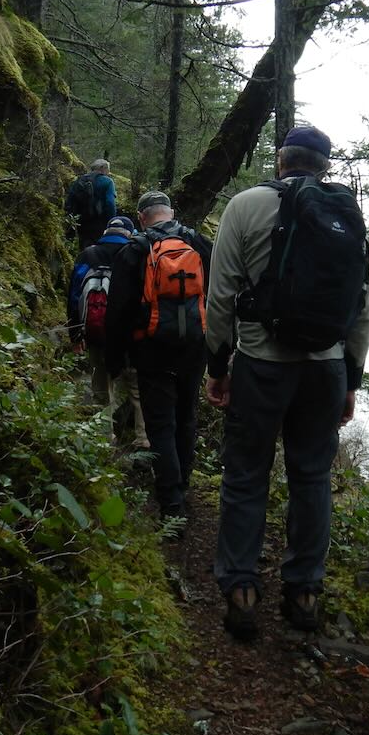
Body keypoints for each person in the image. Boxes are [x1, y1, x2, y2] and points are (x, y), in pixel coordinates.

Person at [203, 124, 369, 641]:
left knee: (246, 474)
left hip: (261, 363)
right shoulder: (346, 214)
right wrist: (351, 378)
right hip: (326, 367)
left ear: (281, 160)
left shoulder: (245, 206)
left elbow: (220, 295)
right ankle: (304, 592)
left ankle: (241, 589)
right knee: (312, 477)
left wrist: (217, 366)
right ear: (324, 167)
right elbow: (362, 305)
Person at [105, 190, 213, 529]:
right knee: (186, 416)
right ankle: (183, 483)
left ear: (141, 218)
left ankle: (171, 504)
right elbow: (221, 294)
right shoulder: (199, 244)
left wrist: (115, 358)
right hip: (195, 348)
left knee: (160, 424)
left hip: (151, 350)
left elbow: (117, 310)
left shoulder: (134, 250)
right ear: (171, 212)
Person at [68, 214, 150, 451]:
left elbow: (74, 295)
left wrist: (75, 333)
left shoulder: (88, 254)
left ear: (106, 232)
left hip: (97, 331)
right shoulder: (137, 254)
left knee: (101, 385)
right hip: (131, 335)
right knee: (137, 388)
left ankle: (104, 437)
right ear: (129, 233)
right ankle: (143, 439)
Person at [64, 159, 117, 249]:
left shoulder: (80, 180)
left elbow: (70, 200)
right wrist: (111, 222)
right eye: (108, 170)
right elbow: (110, 203)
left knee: (83, 248)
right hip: (99, 222)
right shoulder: (107, 182)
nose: (108, 172)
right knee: (98, 249)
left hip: (81, 222)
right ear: (103, 168)